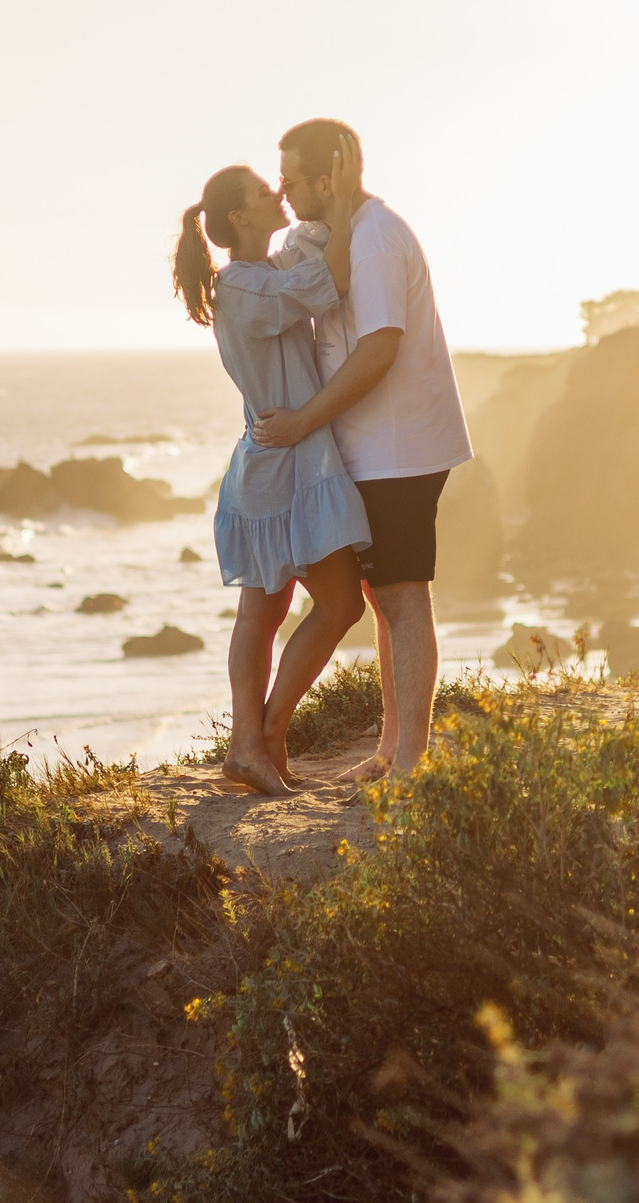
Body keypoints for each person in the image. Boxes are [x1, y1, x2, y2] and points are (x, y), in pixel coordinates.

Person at [254, 120, 473, 785]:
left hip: (399, 448)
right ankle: (389, 751)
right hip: (370, 447)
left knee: (404, 598)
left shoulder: (377, 238)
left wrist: (300, 422)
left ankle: (410, 762)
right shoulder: (332, 239)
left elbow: (378, 350)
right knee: (386, 598)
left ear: (333, 175)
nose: (283, 189)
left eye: (292, 177)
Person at [174, 161, 371, 796]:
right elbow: (333, 280)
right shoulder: (245, 289)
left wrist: (321, 213)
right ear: (239, 216)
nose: (277, 192)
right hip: (285, 465)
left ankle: (252, 748)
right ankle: (262, 741)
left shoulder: (259, 277)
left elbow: (310, 262)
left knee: (262, 613)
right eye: (265, 191)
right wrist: (342, 197)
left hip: (274, 464)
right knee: (337, 605)